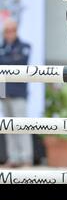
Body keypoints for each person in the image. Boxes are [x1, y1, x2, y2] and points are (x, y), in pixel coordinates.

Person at [0, 19, 32, 167]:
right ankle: (13, 158)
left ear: (16, 30)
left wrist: (6, 60)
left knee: (22, 126)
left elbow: (19, 62)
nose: (9, 33)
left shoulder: (25, 46)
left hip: (18, 93)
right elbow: (9, 62)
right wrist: (9, 59)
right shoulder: (2, 47)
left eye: (12, 30)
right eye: (6, 31)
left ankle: (26, 158)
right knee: (8, 127)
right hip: (3, 92)